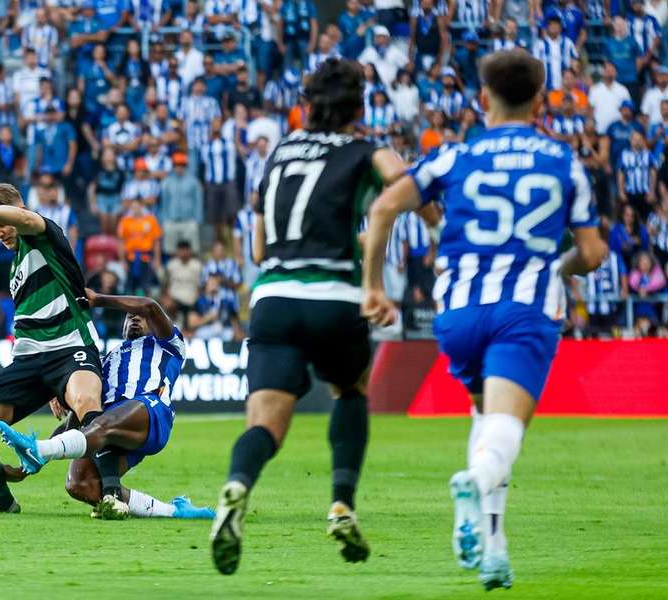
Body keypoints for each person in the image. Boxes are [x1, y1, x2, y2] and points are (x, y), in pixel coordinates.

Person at [361, 50, 605, 590]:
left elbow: (382, 209)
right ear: (541, 100)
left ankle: (495, 552)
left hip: (459, 310)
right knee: (505, 432)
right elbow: (592, 252)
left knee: (486, 421)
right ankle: (474, 485)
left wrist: (373, 285)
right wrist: (560, 268)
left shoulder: (453, 157)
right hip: (524, 308)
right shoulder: (564, 161)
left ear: (483, 99)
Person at [207, 58, 407, 575]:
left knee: (266, 425)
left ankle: (238, 487)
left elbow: (257, 243)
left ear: (307, 105)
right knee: (351, 389)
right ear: (357, 108)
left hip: (272, 299)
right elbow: (399, 183)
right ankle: (341, 503)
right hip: (335, 298)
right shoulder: (365, 148)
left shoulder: (278, 153)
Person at [0, 183, 104, 514]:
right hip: (32, 360)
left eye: (0, 224)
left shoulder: (42, 235)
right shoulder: (16, 266)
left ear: (17, 211)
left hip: (71, 347)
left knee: (87, 401)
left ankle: (109, 491)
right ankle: (0, 501)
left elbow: (24, 220)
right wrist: (49, 387)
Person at [0, 290, 214, 520]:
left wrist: (98, 300)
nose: (136, 317)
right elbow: (77, 424)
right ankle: (174, 511)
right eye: (130, 316)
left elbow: (149, 306)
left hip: (151, 411)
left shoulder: (169, 344)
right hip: (110, 426)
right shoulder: (104, 361)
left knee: (100, 422)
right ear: (121, 328)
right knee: (80, 484)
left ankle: (40, 450)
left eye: (140, 316)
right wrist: (24, 470)